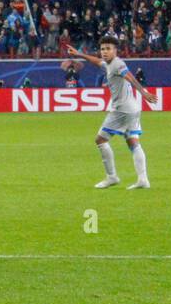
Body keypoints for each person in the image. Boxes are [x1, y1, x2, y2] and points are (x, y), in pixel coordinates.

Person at [68, 38, 159, 190]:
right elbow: (97, 61)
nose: (104, 52)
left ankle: (112, 177)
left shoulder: (117, 64)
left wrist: (144, 92)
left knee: (100, 140)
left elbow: (129, 76)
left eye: (108, 48)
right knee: (133, 142)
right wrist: (80, 54)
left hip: (121, 109)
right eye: (102, 48)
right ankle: (143, 180)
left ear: (115, 51)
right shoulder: (109, 64)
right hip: (133, 108)